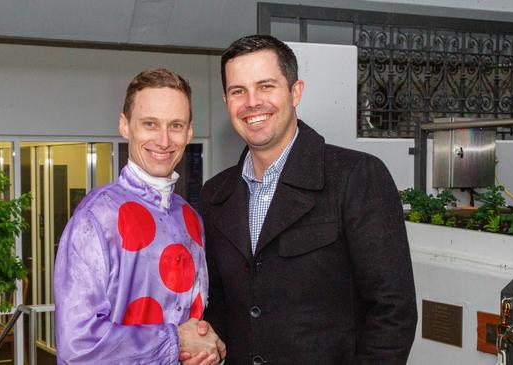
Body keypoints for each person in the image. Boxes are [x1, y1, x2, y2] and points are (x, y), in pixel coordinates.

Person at [200, 35, 418, 364]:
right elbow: (217, 305)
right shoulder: (215, 194)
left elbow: (393, 312)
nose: (252, 102)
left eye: (266, 86)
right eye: (238, 91)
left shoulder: (356, 177)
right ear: (226, 101)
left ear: (295, 91)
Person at [54, 68, 225, 365]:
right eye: (150, 124)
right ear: (125, 126)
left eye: (175, 125)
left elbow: (193, 322)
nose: (163, 140)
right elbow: (78, 346)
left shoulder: (191, 218)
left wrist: (209, 347)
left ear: (189, 132)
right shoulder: (95, 218)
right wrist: (176, 341)